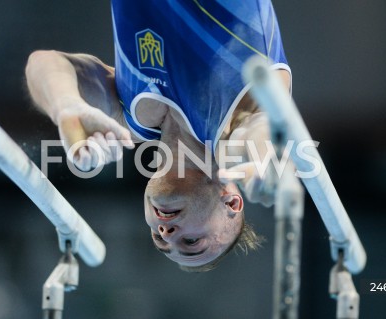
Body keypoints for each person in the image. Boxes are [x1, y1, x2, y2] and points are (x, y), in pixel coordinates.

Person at [25, 0, 291, 272]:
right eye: (190, 241)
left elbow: (44, 62)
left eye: (159, 239)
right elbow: (260, 131)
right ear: (232, 202)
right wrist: (267, 159)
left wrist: (66, 105)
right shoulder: (234, 124)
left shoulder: (127, 116)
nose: (166, 233)